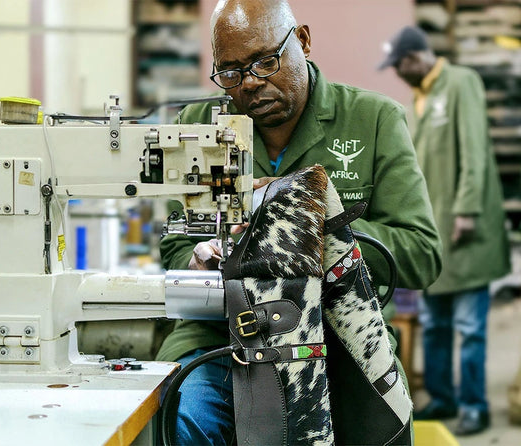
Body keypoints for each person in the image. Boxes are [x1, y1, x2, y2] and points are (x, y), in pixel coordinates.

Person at [156, 2, 442, 444]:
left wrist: (315, 230)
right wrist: (199, 256)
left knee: (378, 429)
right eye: (230, 73)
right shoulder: (198, 127)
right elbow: (175, 244)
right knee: (186, 421)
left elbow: (422, 255)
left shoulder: (373, 120)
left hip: (339, 337)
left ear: (303, 42)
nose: (250, 83)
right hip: (223, 335)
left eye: (265, 62)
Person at [379, 25, 511, 436]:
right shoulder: (420, 97)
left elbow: (473, 147)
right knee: (435, 324)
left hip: (464, 229)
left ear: (416, 57)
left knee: (469, 326)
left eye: (399, 66)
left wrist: (467, 210)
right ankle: (443, 397)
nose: (397, 74)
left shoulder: (459, 83)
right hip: (434, 236)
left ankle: (475, 405)